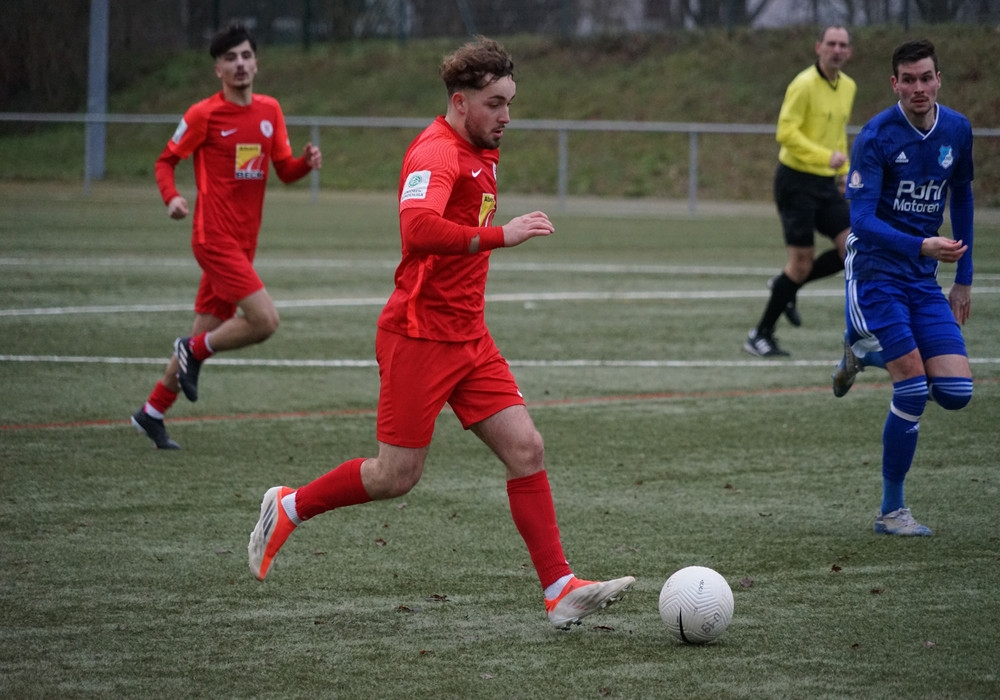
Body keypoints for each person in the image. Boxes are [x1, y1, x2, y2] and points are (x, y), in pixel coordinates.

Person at [247, 37, 634, 630]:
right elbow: (419, 229)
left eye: (510, 103)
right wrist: (504, 235)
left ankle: (560, 590)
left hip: (469, 336)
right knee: (395, 476)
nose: (506, 116)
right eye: (495, 104)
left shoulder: (479, 148)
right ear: (459, 102)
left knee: (526, 449)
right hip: (419, 336)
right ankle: (291, 505)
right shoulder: (436, 153)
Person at [130, 23, 322, 449]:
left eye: (246, 56)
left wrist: (305, 164)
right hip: (213, 238)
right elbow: (165, 161)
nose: (240, 64)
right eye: (230, 58)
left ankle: (152, 412)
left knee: (206, 329)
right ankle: (193, 350)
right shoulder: (203, 114)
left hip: (244, 243)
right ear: (218, 68)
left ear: (256, 63)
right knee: (264, 321)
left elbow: (284, 170)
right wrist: (171, 198)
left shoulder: (270, 111)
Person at [833, 38, 975, 536]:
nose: (919, 87)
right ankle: (891, 512)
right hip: (875, 274)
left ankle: (862, 353)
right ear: (895, 84)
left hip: (922, 277)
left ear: (938, 80)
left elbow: (962, 195)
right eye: (908, 79)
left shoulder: (956, 129)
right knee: (912, 385)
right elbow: (861, 222)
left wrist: (963, 279)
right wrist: (920, 245)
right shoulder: (876, 136)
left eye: (926, 78)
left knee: (956, 392)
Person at [744, 26, 856, 357]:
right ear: (818, 47)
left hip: (825, 183)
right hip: (795, 182)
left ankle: (786, 285)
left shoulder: (848, 86)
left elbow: (838, 133)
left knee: (853, 248)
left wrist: (844, 172)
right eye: (831, 43)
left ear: (849, 52)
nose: (837, 50)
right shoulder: (803, 84)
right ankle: (760, 335)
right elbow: (785, 132)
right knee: (801, 263)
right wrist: (825, 157)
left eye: (843, 45)